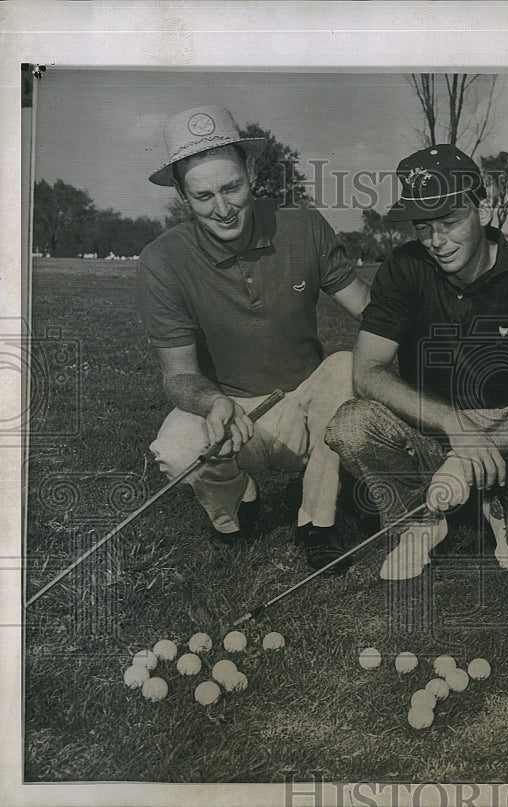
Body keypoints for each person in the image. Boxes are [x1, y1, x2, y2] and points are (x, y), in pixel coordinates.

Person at [326, 144, 508, 581]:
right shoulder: (402, 267)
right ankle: (418, 522)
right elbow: (367, 372)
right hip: (427, 426)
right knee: (350, 424)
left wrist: (473, 454)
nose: (437, 241)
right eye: (424, 226)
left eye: (450, 222)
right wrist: (453, 424)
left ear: (481, 211)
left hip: (507, 426)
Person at [138, 105, 370, 571]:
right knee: (176, 448)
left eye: (231, 188)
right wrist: (211, 404)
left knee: (346, 366)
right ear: (183, 196)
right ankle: (237, 502)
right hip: (232, 411)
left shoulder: (303, 226)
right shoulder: (162, 260)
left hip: (306, 403)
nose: (222, 209)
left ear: (251, 172)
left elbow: (374, 315)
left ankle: (317, 520)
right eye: (203, 196)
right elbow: (179, 375)